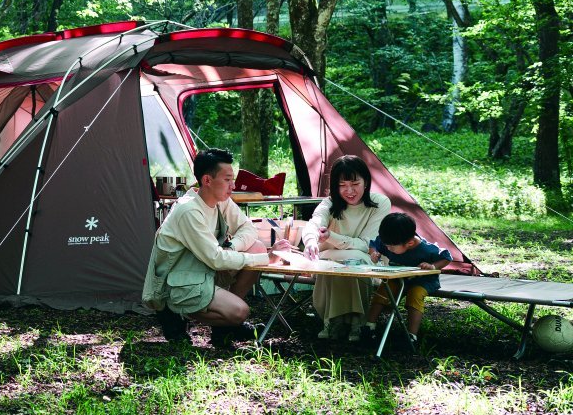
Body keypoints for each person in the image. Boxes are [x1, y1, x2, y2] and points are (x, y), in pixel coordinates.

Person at [142, 147, 288, 348]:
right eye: (227, 179)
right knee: (240, 312)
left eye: (232, 179)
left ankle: (224, 329)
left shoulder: (221, 201)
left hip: (203, 270)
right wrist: (266, 260)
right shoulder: (189, 210)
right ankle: (173, 312)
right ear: (207, 180)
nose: (233, 185)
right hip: (179, 281)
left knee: (255, 248)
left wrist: (232, 245)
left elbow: (248, 228)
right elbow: (216, 259)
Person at [300, 155, 391, 341]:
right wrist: (310, 241)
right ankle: (339, 321)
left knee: (354, 260)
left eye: (355, 183)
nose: (349, 191)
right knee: (333, 262)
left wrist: (331, 237)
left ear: (366, 182)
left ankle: (349, 321)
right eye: (342, 186)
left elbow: (367, 245)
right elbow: (314, 223)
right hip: (330, 257)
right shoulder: (329, 203)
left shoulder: (380, 203)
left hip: (367, 259)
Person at [359, 212, 452, 346]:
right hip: (397, 277)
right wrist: (373, 253)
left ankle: (411, 336)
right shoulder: (391, 240)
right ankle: (369, 326)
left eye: (391, 247)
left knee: (415, 295)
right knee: (383, 291)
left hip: (422, 281)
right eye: (386, 245)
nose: (387, 249)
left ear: (410, 243)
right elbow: (374, 244)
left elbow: (446, 257)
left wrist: (432, 266)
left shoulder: (426, 249)